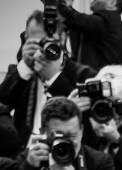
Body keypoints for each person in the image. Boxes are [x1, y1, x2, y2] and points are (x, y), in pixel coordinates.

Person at [0, 10, 95, 148]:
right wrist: (25, 66)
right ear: (26, 38)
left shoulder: (82, 75)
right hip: (25, 157)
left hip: (66, 154)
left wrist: (54, 77)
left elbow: (89, 127)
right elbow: (3, 100)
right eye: (37, 43)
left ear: (62, 38)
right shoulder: (22, 73)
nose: (44, 49)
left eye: (49, 42)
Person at [57, 0, 122, 72]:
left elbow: (73, 16)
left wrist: (64, 5)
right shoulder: (112, 27)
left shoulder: (108, 22)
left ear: (112, 2)